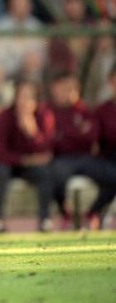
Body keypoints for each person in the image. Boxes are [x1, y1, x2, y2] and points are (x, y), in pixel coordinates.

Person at [0, 79, 55, 233]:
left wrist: (33, 133)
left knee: (44, 173)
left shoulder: (44, 117)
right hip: (2, 163)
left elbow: (47, 150)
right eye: (22, 97)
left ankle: (45, 220)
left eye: (30, 97)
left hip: (25, 166)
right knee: (1, 171)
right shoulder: (2, 118)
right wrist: (25, 160)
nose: (25, 102)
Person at [48, 71, 116, 229]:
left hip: (86, 158)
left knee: (112, 176)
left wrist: (64, 134)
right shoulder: (48, 111)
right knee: (54, 174)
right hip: (61, 159)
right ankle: (66, 215)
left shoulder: (84, 111)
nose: (69, 91)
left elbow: (91, 137)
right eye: (64, 88)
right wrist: (76, 132)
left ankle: (93, 212)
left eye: (72, 87)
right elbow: (51, 139)